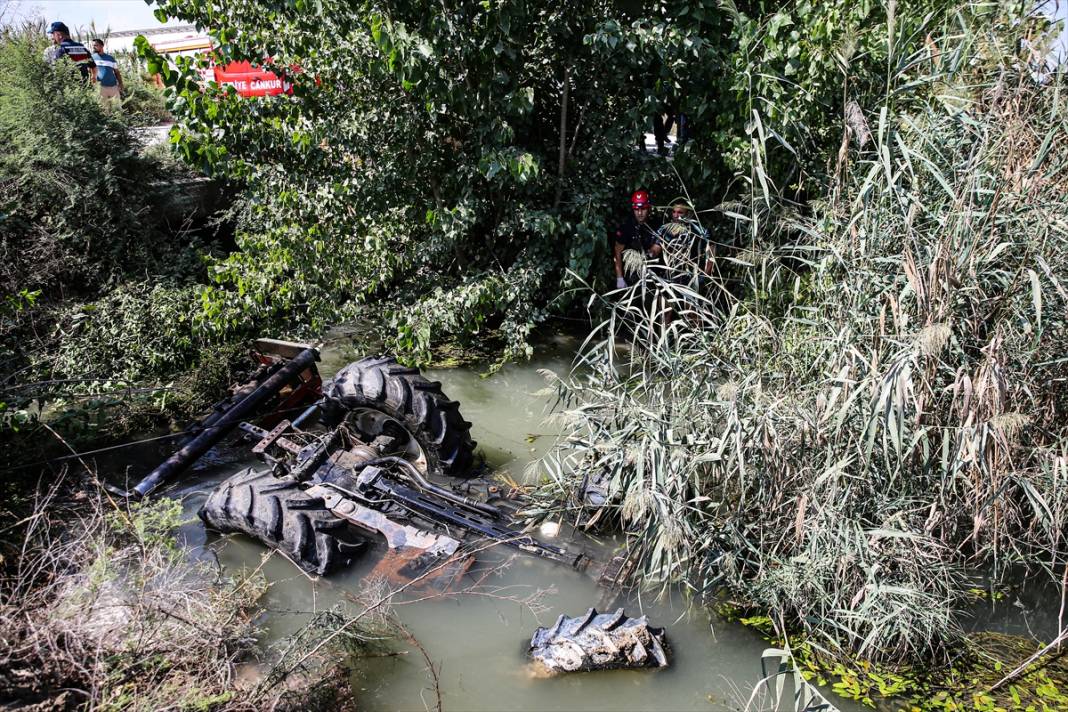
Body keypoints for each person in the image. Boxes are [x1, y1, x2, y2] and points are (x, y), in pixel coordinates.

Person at [613, 190, 663, 289]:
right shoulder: (627, 227)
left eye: (643, 209)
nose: (640, 213)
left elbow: (657, 248)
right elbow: (617, 251)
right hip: (632, 276)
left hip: (653, 274)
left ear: (648, 208)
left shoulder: (656, 225)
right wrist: (619, 277)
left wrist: (648, 255)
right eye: (636, 209)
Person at [90, 38, 124, 104]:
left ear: (102, 46)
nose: (93, 47)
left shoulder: (110, 58)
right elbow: (89, 72)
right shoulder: (92, 58)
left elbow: (117, 72)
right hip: (100, 88)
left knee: (117, 109)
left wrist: (121, 83)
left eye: (95, 45)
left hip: (113, 87)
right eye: (93, 46)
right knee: (104, 111)